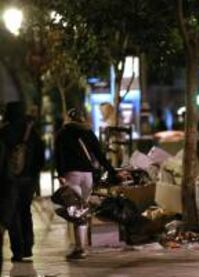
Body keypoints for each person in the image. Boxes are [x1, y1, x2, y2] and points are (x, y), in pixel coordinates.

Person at [54, 108, 120, 260]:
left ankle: (80, 248)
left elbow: (58, 156)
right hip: (88, 176)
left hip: (72, 175)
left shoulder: (62, 133)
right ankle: (81, 246)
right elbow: (99, 154)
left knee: (76, 212)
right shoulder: (88, 132)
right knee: (82, 210)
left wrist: (60, 174)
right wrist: (112, 171)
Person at [0, 101, 44, 263]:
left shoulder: (4, 132)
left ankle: (17, 250)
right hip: (29, 179)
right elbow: (41, 155)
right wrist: (35, 173)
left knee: (12, 214)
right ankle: (28, 247)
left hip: (9, 180)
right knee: (25, 211)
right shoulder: (32, 132)